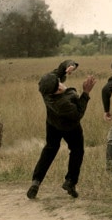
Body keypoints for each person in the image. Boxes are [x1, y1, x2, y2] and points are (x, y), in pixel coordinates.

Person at [27, 62, 96, 199]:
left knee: (50, 149)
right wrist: (86, 93)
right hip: (70, 127)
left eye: (59, 82)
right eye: (58, 86)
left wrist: (70, 66)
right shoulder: (63, 102)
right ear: (57, 90)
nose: (60, 84)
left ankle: (36, 181)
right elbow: (78, 114)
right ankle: (70, 181)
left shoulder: (46, 85)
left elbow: (60, 69)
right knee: (77, 150)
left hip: (52, 123)